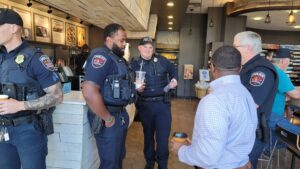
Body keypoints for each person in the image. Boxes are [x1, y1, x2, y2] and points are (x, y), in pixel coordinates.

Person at [170, 46, 257, 169]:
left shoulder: (214, 100)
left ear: (212, 67)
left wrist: (181, 150)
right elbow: (237, 135)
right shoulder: (246, 94)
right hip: (242, 163)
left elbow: (207, 157)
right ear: (241, 68)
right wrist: (197, 146)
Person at [0, 8, 63, 169]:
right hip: (3, 130)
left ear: (14, 28)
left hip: (28, 130)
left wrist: (20, 105)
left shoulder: (36, 58)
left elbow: (57, 96)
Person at [82, 23, 136, 169]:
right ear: (109, 39)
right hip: (108, 116)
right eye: (121, 40)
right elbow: (88, 90)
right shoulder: (101, 56)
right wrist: (108, 118)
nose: (124, 44)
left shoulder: (117, 58)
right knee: (110, 163)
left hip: (120, 114)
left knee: (118, 157)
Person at [130, 37, 178, 169]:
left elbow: (174, 72)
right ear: (139, 48)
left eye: (150, 47)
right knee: (148, 137)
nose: (148, 50)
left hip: (163, 106)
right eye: (145, 47)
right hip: (145, 106)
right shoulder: (134, 64)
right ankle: (150, 163)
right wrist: (135, 86)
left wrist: (174, 80)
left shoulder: (162, 60)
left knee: (162, 139)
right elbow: (127, 82)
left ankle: (162, 165)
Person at [233, 31, 278, 169]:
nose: (233, 51)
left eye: (236, 46)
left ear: (248, 47)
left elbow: (251, 103)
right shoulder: (247, 68)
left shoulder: (261, 70)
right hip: (241, 131)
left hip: (250, 134)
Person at [266, 48, 300, 152]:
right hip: (272, 116)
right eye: (288, 62)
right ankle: (267, 148)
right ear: (283, 61)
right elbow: (296, 95)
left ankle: (267, 148)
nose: (288, 64)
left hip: (264, 115)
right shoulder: (280, 74)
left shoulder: (268, 69)